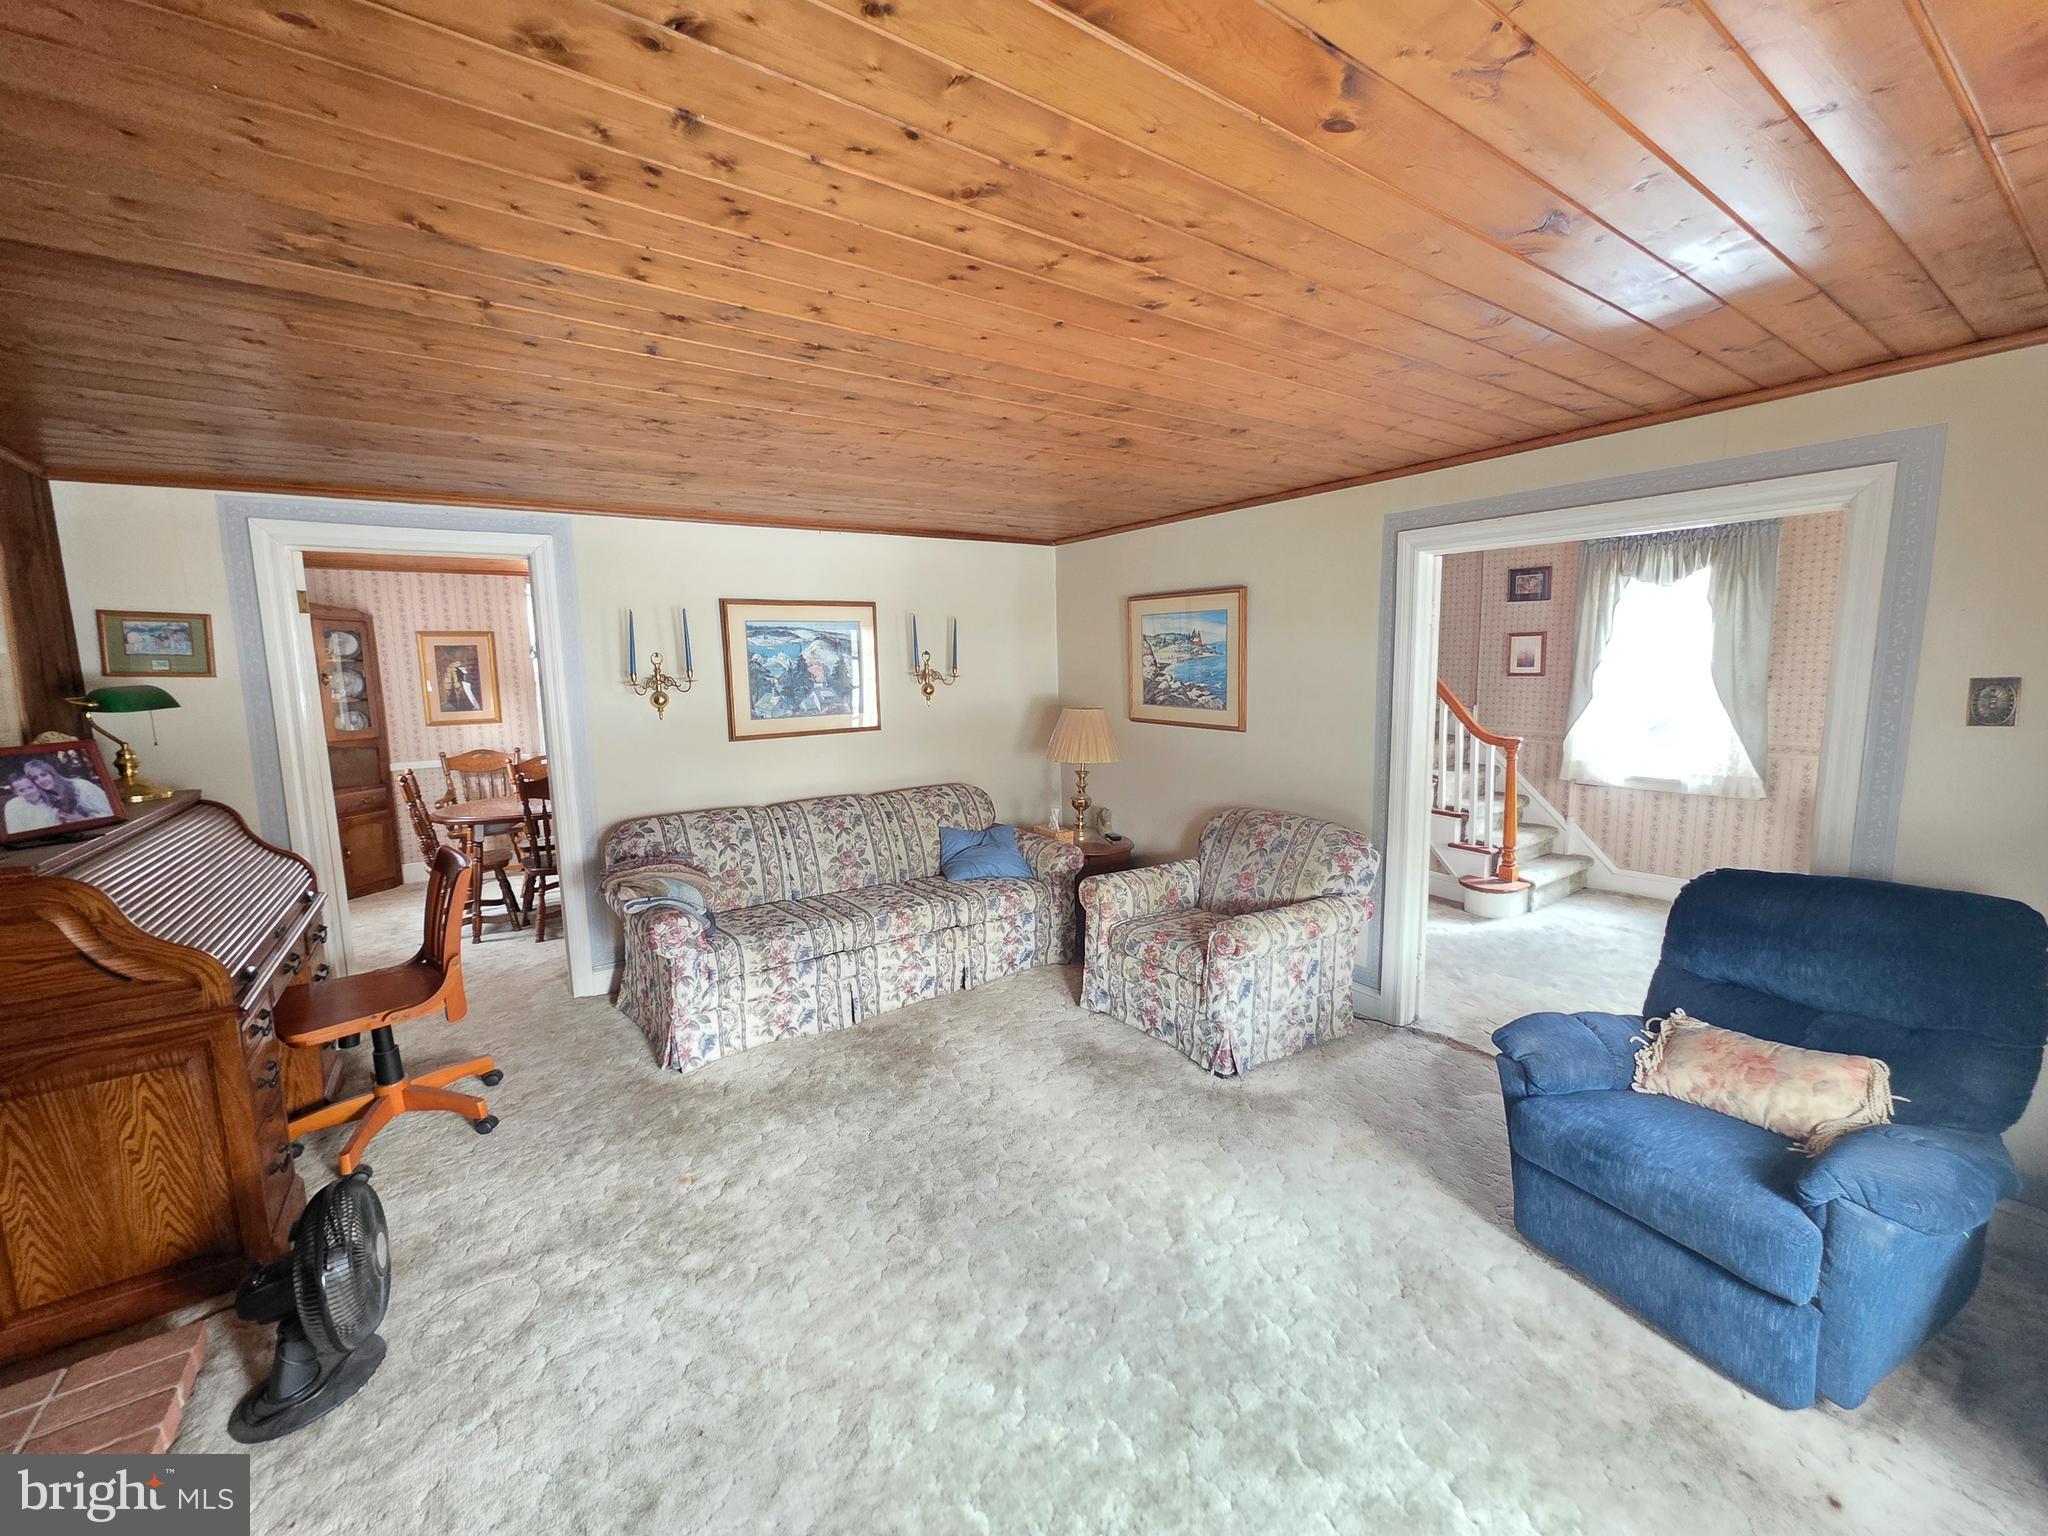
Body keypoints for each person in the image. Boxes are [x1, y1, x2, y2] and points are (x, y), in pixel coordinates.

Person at [21, 756, 114, 823]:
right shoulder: (47, 797)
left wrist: (82, 820)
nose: (41, 780)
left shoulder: (81, 786)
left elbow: (109, 814)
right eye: (35, 778)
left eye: (44, 775)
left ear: (52, 773)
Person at [4, 768, 59, 833]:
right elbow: (15, 832)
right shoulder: (12, 806)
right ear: (16, 792)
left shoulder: (53, 799)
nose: (29, 792)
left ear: (37, 785)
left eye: (30, 787)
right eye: (22, 790)